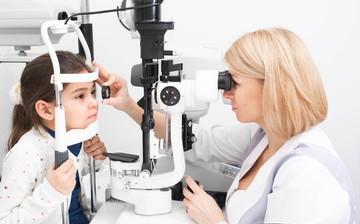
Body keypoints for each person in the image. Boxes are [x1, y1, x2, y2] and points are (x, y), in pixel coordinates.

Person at [93, 28, 355, 224]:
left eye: (235, 84)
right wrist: (128, 104)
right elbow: (191, 142)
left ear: (274, 87)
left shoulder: (308, 179)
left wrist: (216, 221)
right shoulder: (266, 135)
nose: (225, 94)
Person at [0, 51, 107, 224]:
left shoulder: (77, 137)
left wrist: (97, 162)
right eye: (80, 96)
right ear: (46, 110)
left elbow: (78, 192)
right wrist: (51, 192)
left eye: (93, 92)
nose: (93, 102)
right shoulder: (24, 155)